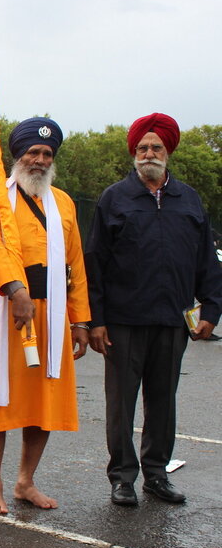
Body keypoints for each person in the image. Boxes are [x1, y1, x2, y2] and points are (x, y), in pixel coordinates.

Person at [85, 112, 222, 506]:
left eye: (156, 147)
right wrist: (96, 320)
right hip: (124, 321)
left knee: (163, 402)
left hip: (172, 321)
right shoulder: (115, 198)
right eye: (143, 147)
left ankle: (157, 475)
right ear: (134, 152)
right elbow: (96, 263)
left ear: (168, 151)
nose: (149, 152)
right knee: (121, 404)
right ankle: (122, 478)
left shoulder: (190, 200)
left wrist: (211, 308)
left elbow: (205, 261)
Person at [0, 117, 91, 515]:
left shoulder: (64, 203)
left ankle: (25, 481)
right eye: (32, 152)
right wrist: (16, 290)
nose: (38, 159)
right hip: (4, 308)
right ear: (18, 155)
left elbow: (75, 264)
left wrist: (81, 320)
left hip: (51, 314)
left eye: (46, 154)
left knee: (43, 401)